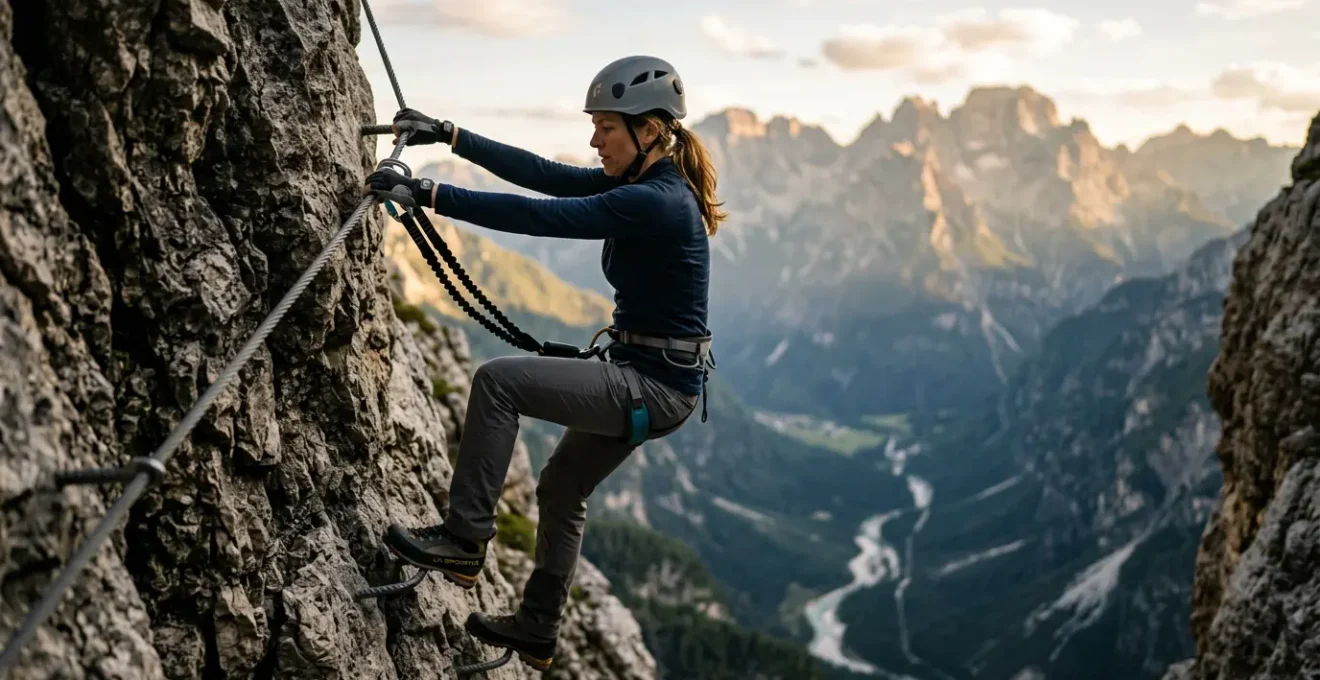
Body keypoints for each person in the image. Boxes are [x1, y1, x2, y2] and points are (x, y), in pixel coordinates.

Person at [363, 55, 725, 671]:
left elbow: (547, 216)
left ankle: (463, 538)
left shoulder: (658, 201)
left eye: (605, 127)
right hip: (660, 381)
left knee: (497, 383)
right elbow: (549, 178)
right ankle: (537, 628)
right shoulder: (642, 185)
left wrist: (429, 192)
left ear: (649, 131)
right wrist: (451, 135)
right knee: (561, 486)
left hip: (651, 385)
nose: (593, 139)